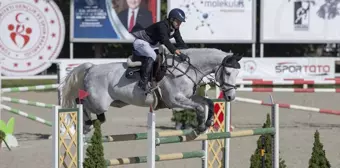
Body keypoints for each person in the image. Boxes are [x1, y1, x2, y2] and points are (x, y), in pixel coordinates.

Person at [131, 8, 189, 92]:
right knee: (153, 56)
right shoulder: (162, 25)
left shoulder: (175, 29)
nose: (180, 24)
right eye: (178, 21)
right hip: (141, 42)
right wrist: (178, 53)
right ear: (172, 19)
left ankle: (157, 79)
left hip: (151, 44)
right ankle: (143, 82)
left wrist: (188, 52)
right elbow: (165, 41)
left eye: (181, 22)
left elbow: (180, 42)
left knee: (163, 57)